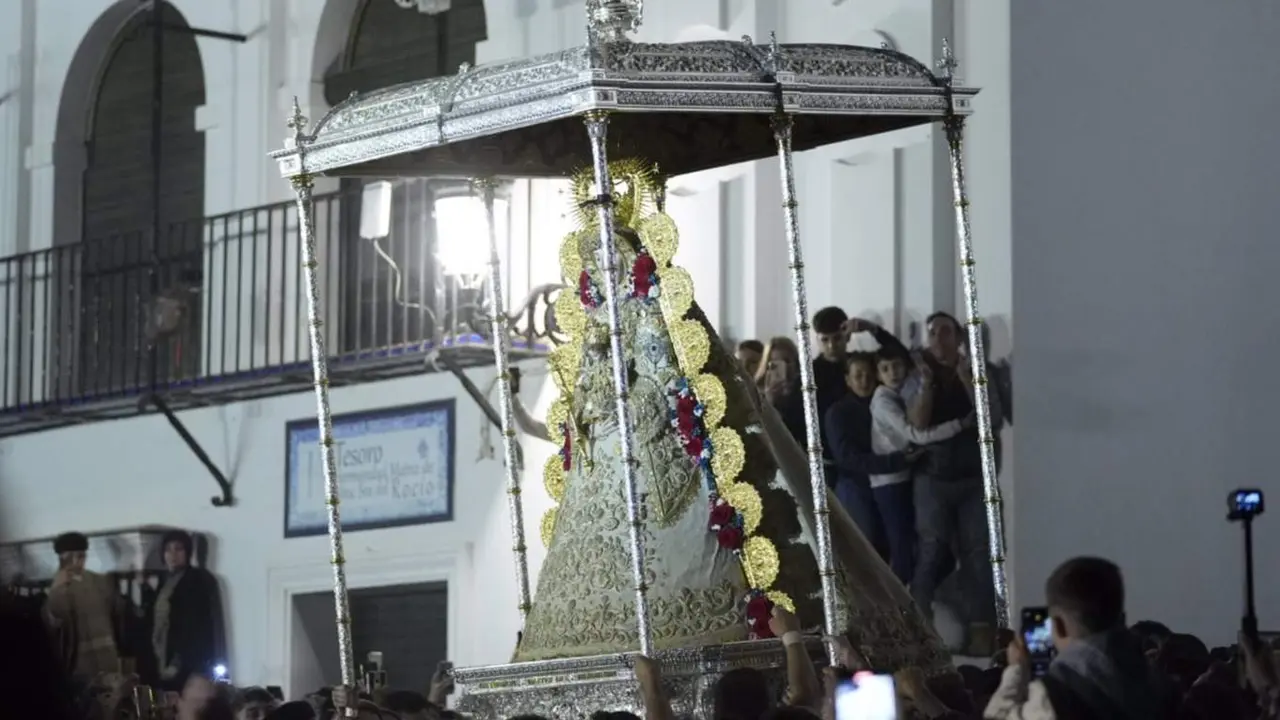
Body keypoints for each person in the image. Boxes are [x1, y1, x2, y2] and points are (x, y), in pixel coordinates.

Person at [903, 311, 1003, 654]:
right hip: (932, 478)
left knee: (979, 555)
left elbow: (992, 418)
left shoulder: (979, 371)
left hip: (973, 478)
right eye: (932, 333)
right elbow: (916, 424)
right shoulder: (918, 374)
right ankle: (919, 633)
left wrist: (966, 379)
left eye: (945, 332)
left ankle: (981, 630)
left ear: (959, 338)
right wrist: (927, 384)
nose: (938, 339)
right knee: (930, 552)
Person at [984, 557, 1166, 719]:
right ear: (1122, 619)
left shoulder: (1054, 696)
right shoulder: (1161, 686)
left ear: (1059, 626)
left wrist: (1016, 670)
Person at [868, 348, 970, 582]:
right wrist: (959, 425)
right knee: (902, 547)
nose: (893, 372)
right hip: (889, 483)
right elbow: (915, 435)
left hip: (902, 476)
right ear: (878, 375)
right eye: (885, 369)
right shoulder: (883, 402)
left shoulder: (898, 394)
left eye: (896, 366)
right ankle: (898, 601)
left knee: (914, 544)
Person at [823, 351, 911, 564]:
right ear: (848, 380)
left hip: (886, 481)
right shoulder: (838, 412)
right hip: (856, 484)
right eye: (858, 376)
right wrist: (895, 462)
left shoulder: (885, 403)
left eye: (869, 374)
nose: (865, 381)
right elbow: (847, 458)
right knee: (864, 548)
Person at [42, 531, 127, 683]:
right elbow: (54, 622)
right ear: (61, 559)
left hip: (109, 661)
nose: (76, 561)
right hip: (78, 668)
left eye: (80, 556)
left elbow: (118, 615)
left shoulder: (101, 582)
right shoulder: (55, 588)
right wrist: (57, 590)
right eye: (70, 557)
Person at [151, 530, 226, 691]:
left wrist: (178, 662)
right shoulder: (164, 581)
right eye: (168, 550)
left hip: (187, 661)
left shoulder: (196, 579)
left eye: (178, 549)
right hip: (162, 655)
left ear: (188, 552)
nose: (173, 555)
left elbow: (194, 625)